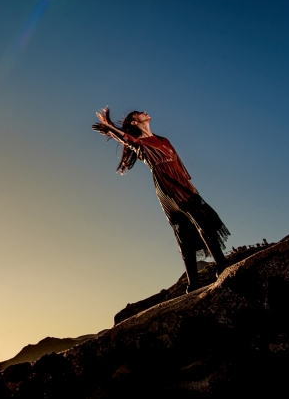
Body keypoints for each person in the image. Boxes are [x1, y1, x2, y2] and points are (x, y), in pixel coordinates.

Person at [92, 108, 229, 293]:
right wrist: (110, 128)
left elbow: (179, 163)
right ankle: (220, 267)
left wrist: (190, 184)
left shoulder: (164, 140)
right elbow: (128, 140)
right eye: (140, 113)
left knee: (193, 227)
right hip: (167, 186)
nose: (145, 112)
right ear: (135, 122)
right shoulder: (140, 143)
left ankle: (194, 283)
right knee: (191, 226)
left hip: (181, 183)